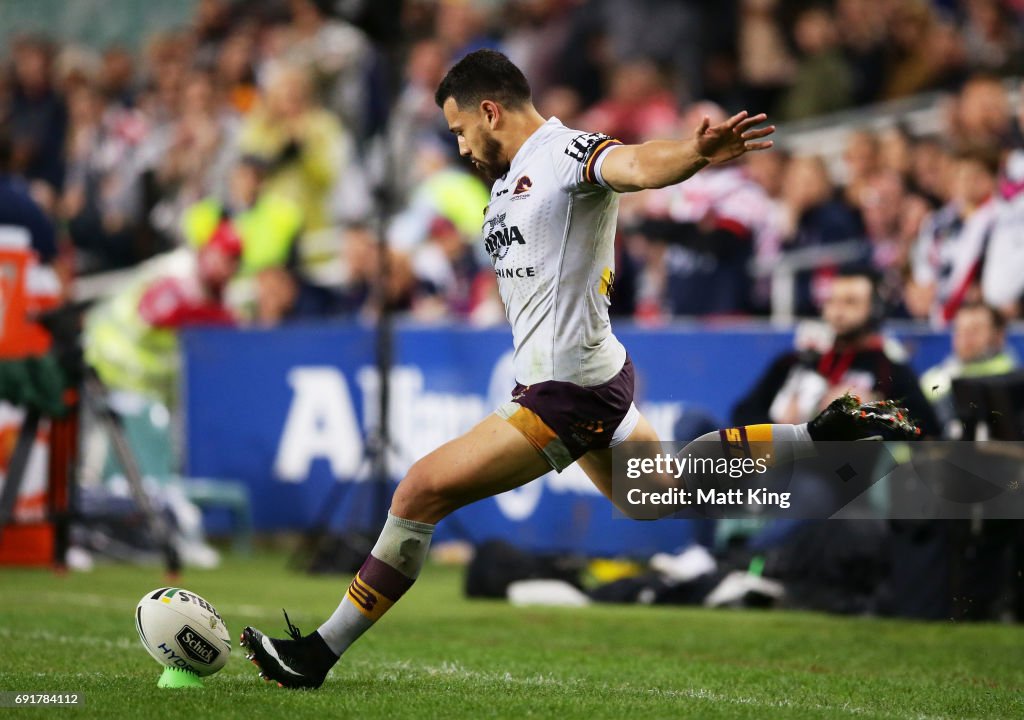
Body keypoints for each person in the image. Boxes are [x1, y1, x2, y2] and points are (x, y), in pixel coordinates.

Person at [241, 50, 920, 689]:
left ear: (490, 111)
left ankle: (318, 652)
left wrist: (694, 154)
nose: (459, 147)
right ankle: (822, 436)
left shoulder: (565, 152)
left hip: (569, 392)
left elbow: (637, 165)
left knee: (419, 492)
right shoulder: (508, 181)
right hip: (588, 376)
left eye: (458, 130)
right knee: (661, 493)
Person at [732, 267, 939, 436]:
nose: (838, 311)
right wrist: (781, 429)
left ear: (874, 309)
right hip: (784, 458)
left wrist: (869, 415)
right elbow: (742, 413)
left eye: (851, 302)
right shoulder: (796, 360)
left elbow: (926, 429)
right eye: (832, 301)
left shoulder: (888, 368)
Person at [920, 302, 1017, 436]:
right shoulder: (934, 377)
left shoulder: (1011, 380)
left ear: (998, 336)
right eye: (960, 330)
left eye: (975, 330)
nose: (965, 337)